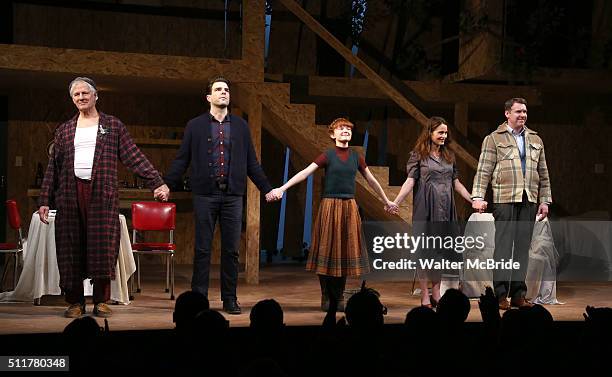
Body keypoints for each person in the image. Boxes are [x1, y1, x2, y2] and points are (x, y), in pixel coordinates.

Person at [38, 76, 169, 318]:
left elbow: (133, 156)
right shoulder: (65, 130)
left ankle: (100, 301)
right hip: (69, 194)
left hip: (101, 194)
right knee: (71, 247)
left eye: (85, 93)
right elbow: (52, 168)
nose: (81, 97)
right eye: (76, 95)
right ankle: (75, 302)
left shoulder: (112, 125)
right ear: (72, 99)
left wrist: (156, 182)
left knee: (102, 247)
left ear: (96, 96)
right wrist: (45, 199)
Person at [164, 76, 278, 315]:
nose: (224, 92)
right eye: (218, 90)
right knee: (203, 249)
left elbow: (252, 164)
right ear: (209, 97)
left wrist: (267, 189)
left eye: (226, 90)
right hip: (205, 195)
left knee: (231, 251)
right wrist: (166, 184)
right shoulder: (195, 126)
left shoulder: (240, 126)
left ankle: (230, 299)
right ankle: (198, 300)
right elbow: (182, 159)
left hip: (233, 197)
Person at [271, 118, 397, 311]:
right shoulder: (328, 155)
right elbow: (305, 173)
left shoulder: (356, 157)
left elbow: (372, 181)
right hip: (330, 206)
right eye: (341, 128)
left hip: (349, 207)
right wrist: (283, 188)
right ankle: (326, 295)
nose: (346, 130)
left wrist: (386, 201)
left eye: (348, 128)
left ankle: (338, 297)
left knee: (343, 253)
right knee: (326, 251)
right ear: (333, 134)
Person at [471, 97, 552, 309]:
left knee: (523, 248)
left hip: (528, 199)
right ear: (507, 113)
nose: (522, 115)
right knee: (504, 248)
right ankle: (500, 294)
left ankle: (518, 294)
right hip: (505, 199)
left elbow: (543, 173)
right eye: (518, 112)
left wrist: (544, 200)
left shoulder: (535, 139)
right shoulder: (494, 138)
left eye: (525, 111)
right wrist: (478, 196)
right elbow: (483, 170)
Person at [391, 116, 473, 308]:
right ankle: (425, 295)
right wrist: (396, 202)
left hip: (446, 209)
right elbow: (410, 181)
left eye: (445, 133)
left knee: (440, 252)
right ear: (430, 133)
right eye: (440, 132)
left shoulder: (449, 156)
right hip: (426, 208)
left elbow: (456, 183)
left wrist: (472, 199)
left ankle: (436, 292)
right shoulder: (417, 155)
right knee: (424, 252)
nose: (444, 136)